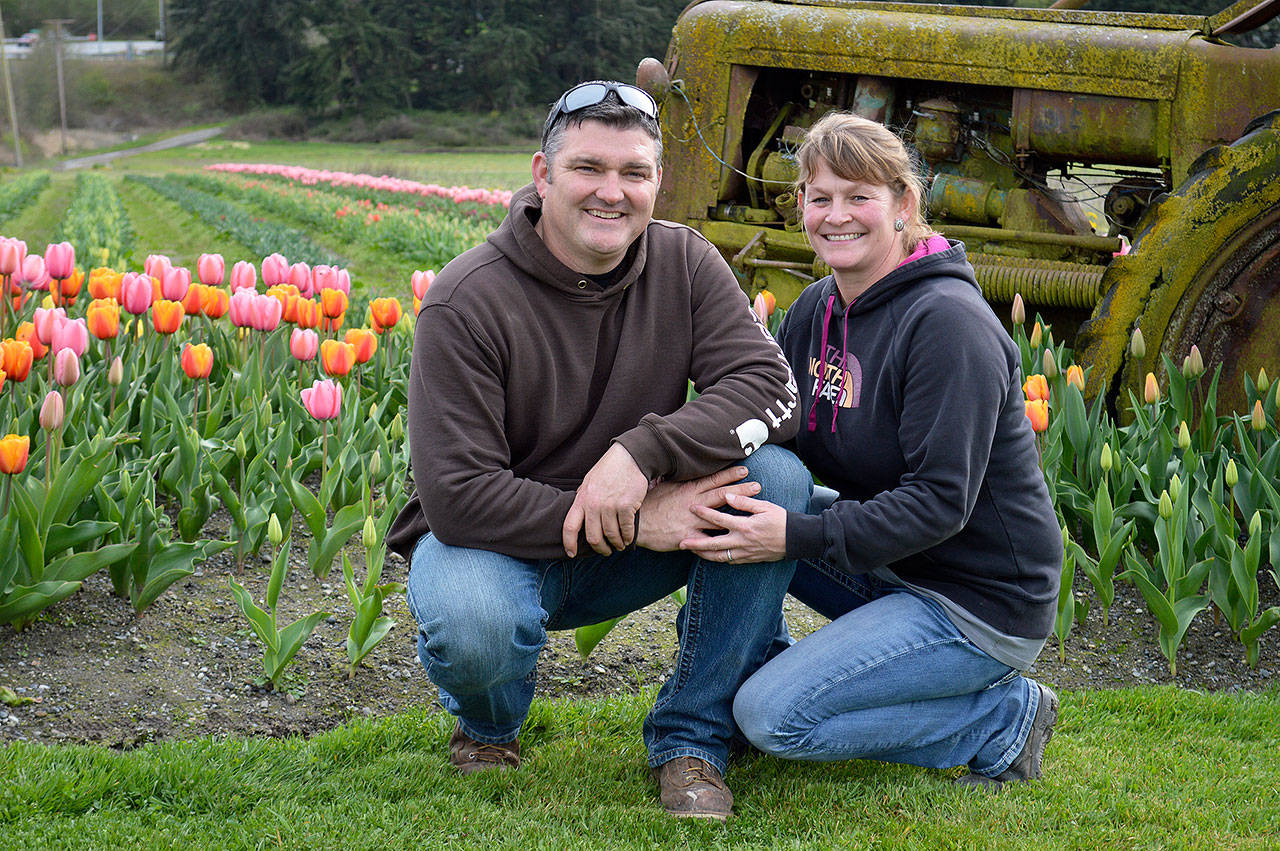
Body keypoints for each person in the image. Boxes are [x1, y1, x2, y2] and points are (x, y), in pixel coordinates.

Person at [385, 80, 807, 821]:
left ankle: (693, 737)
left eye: (634, 173)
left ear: (657, 184)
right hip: (498, 543)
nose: (612, 193)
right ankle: (489, 726)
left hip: (626, 540)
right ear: (543, 175)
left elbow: (773, 391)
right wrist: (641, 517)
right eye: (588, 169)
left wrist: (642, 452)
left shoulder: (684, 262)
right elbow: (457, 497)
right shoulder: (466, 300)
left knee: (776, 480)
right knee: (473, 612)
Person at [680, 112, 1063, 789]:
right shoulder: (817, 309)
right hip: (895, 566)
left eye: (859, 197)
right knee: (742, 505)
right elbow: (786, 430)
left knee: (772, 718)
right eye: (820, 197)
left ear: (903, 203)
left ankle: (999, 718)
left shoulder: (948, 326)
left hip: (976, 601)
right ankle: (739, 680)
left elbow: (939, 502)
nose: (838, 216)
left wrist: (794, 533)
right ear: (799, 205)